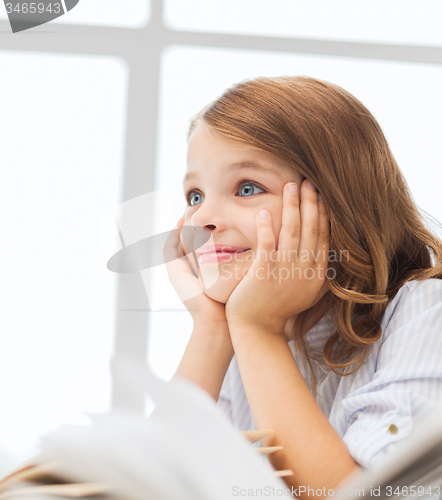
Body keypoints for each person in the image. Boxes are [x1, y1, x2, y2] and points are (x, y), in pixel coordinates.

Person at [163, 75, 442, 497]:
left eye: (247, 187)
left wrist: (258, 330)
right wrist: (211, 327)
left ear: (334, 205)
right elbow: (140, 485)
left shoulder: (426, 313)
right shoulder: (238, 336)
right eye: (195, 195)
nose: (202, 220)